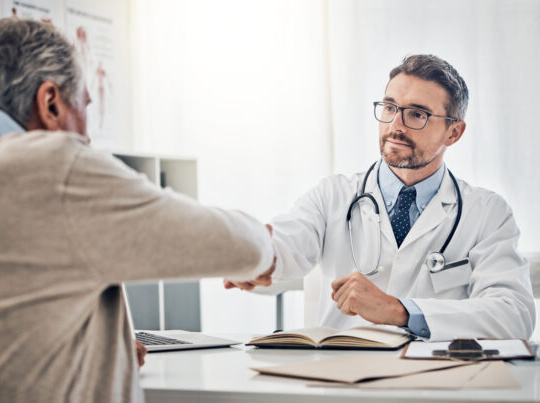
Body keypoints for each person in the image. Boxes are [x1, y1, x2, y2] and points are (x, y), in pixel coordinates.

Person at [0, 18, 275, 403]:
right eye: (84, 104)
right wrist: (267, 245)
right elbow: (242, 248)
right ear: (50, 103)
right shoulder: (54, 167)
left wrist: (103, 351)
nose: (88, 133)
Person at [225, 54, 535, 342]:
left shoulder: (487, 213)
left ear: (453, 133)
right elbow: (287, 243)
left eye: (417, 114)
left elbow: (514, 314)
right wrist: (256, 255)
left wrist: (400, 310)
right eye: (389, 108)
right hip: (343, 380)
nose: (395, 126)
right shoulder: (333, 195)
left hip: (436, 383)